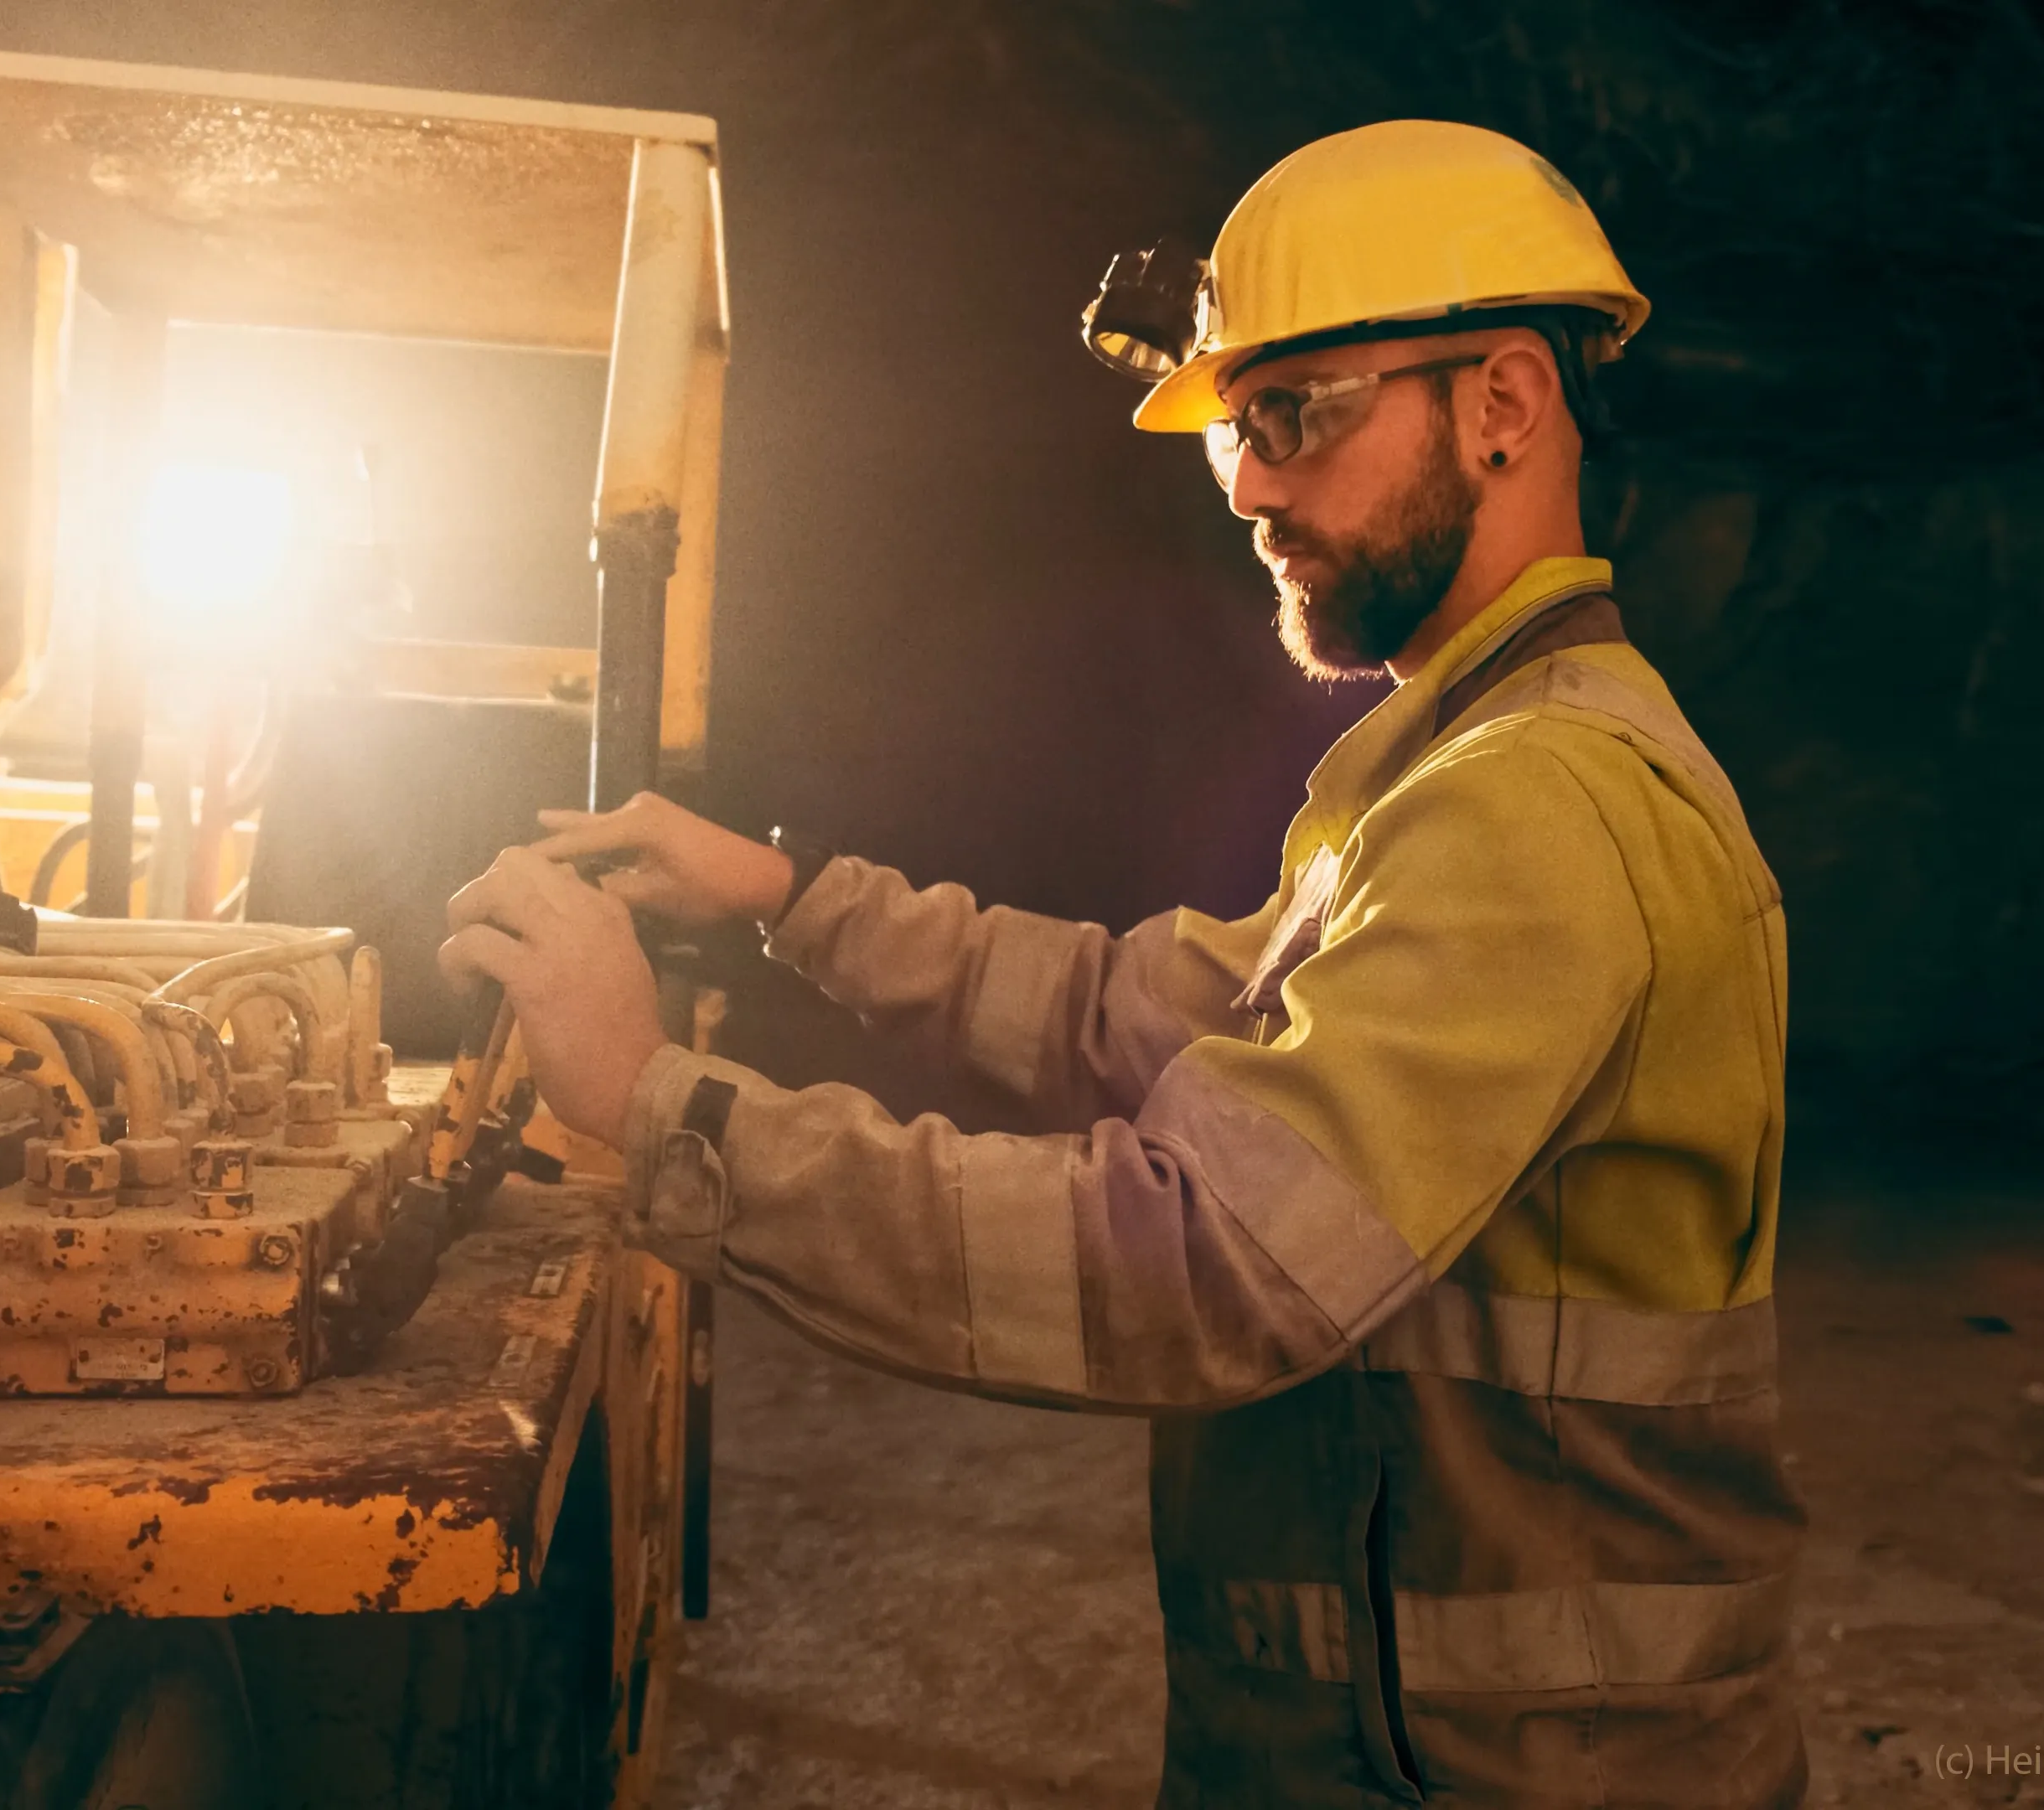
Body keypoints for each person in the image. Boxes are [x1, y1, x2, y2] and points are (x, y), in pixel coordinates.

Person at [440, 119, 1803, 1809]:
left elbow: (1199, 1263)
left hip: (1510, 1769)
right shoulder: (1449, 771)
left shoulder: (1542, 808)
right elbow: (1128, 1016)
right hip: (1434, 1745)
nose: (1244, 484)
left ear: (1506, 403)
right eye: (1234, 429)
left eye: (1292, 413)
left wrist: (657, 1105)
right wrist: (778, 896)